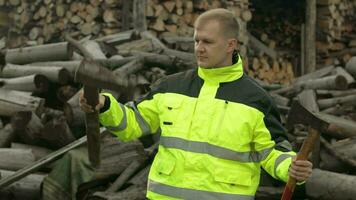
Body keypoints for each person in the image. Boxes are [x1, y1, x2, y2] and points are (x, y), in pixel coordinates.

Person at [80, 8, 312, 200]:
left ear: (231, 45)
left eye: (208, 42)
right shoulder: (171, 87)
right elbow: (133, 123)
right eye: (196, 40)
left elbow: (272, 152)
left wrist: (291, 166)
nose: (199, 48)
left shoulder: (255, 100)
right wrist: (104, 105)